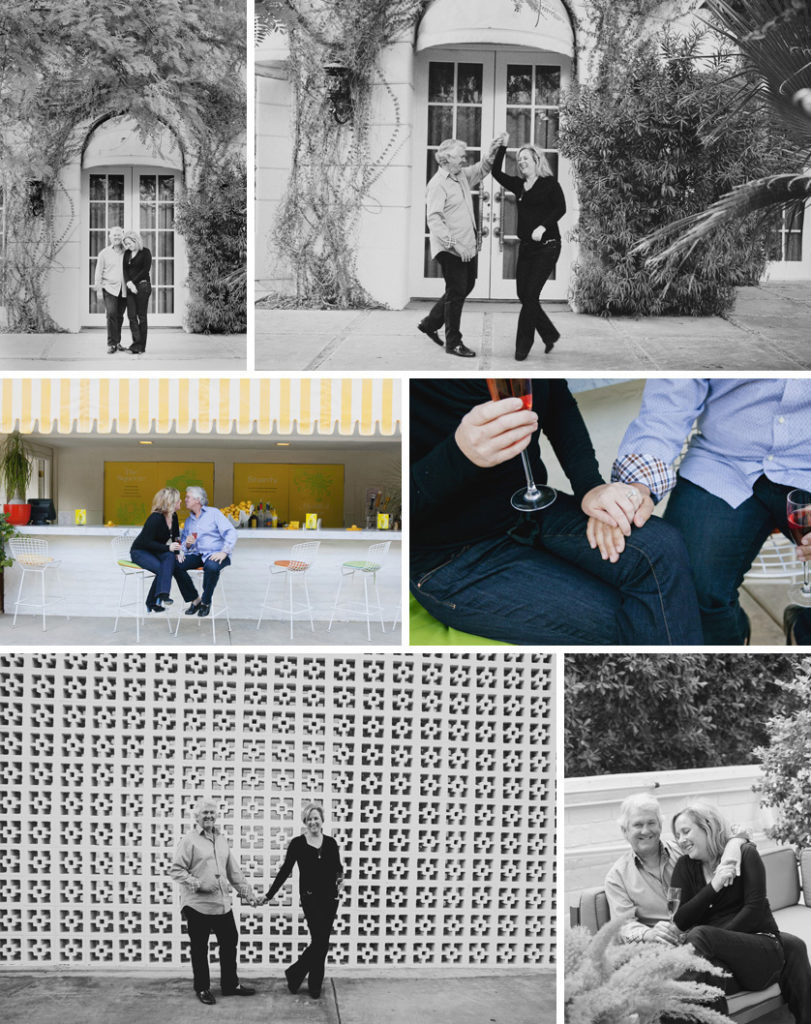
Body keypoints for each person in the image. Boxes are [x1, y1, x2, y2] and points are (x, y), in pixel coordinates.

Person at [410, 378, 703, 644]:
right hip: (453, 557)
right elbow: (387, 504)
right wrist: (458, 455)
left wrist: (590, 486)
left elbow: (557, 399)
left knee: (661, 545)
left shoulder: (520, 347)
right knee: (634, 620)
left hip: (530, 510)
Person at [588, 379, 811, 644]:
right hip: (723, 462)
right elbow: (668, 405)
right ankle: (730, 646)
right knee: (683, 587)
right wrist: (636, 486)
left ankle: (803, 630)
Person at [604, 794, 811, 1023]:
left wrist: (736, 844)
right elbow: (624, 926)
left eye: (651, 823)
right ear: (625, 831)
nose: (646, 830)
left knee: (793, 946)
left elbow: (733, 834)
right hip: (674, 943)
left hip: (709, 940)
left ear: (659, 826)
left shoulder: (680, 851)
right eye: (638, 825)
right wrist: (650, 933)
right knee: (706, 976)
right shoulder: (620, 875)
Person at [670, 803, 787, 1014]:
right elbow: (679, 921)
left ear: (708, 826)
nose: (680, 839)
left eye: (686, 831)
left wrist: (717, 939)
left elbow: (754, 909)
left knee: (701, 935)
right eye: (677, 834)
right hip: (720, 962)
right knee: (705, 982)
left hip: (761, 953)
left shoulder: (745, 853)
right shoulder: (684, 866)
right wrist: (714, 886)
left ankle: (664, 1004)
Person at [418, 133, 507, 358]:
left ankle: (429, 324)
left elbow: (482, 168)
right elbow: (434, 219)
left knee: (465, 286)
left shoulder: (461, 176)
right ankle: (453, 342)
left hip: (467, 246)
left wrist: (493, 149)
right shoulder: (438, 184)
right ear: (445, 159)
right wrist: (455, 246)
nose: (464, 159)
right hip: (450, 248)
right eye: (460, 156)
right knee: (457, 292)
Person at [169, 798, 258, 1005]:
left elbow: (233, 872)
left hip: (221, 904)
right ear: (197, 817)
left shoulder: (221, 839)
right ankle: (202, 988)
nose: (209, 816)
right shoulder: (189, 841)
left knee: (230, 942)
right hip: (197, 906)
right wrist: (198, 884)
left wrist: (248, 894)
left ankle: (230, 985)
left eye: (212, 813)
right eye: (204, 813)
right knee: (200, 948)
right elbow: (176, 870)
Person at [490, 138, 566, 359]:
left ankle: (523, 346)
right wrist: (503, 147)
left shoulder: (549, 183)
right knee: (524, 294)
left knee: (531, 294)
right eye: (519, 159)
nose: (521, 162)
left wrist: (543, 226)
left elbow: (560, 208)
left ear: (536, 160)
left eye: (525, 158)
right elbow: (496, 172)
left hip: (548, 247)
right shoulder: (518, 185)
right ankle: (549, 333)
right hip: (527, 248)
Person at [261, 804, 344, 999]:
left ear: (322, 820)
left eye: (316, 818)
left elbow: (338, 867)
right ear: (305, 822)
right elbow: (285, 870)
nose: (313, 822)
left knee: (321, 942)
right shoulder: (298, 843)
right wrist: (269, 895)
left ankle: (302, 976)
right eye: (309, 819)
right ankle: (302, 976)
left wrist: (340, 879)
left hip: (330, 899)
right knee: (320, 941)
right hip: (310, 898)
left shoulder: (331, 843)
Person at [129, 487, 197, 613]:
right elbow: (146, 542)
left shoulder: (174, 516)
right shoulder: (155, 518)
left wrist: (177, 553)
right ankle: (161, 596)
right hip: (140, 551)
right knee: (163, 568)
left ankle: (154, 600)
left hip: (156, 550)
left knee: (170, 559)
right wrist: (168, 548)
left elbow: (176, 536)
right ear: (171, 502)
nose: (181, 501)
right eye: (178, 500)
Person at [176, 486, 236, 617]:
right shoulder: (188, 521)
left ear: (197, 500)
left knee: (211, 566)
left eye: (188, 497)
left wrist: (224, 552)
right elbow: (185, 546)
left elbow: (231, 532)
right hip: (198, 554)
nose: (184, 499)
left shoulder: (213, 513)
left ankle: (206, 602)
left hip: (217, 553)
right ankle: (195, 600)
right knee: (176, 566)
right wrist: (187, 544)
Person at [94, 226, 127, 354]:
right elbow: (98, 272)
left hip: (123, 289)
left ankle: (117, 342)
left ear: (122, 236)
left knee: (119, 316)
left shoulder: (127, 252)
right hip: (109, 288)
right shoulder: (103, 253)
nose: (117, 237)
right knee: (111, 314)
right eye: (114, 235)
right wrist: (98, 289)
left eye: (119, 235)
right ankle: (111, 343)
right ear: (110, 237)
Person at [122, 230, 152, 356]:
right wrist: (129, 283)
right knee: (131, 316)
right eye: (126, 244)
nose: (128, 246)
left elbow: (145, 270)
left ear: (136, 240)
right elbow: (124, 269)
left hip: (143, 286)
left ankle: (140, 346)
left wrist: (133, 283)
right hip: (130, 287)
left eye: (129, 243)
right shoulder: (127, 253)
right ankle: (137, 344)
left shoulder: (145, 252)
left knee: (142, 316)